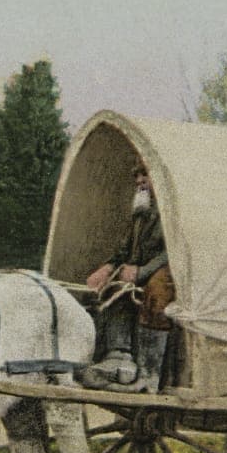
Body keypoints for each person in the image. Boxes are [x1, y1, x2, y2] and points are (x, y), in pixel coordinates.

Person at [77, 164, 175, 392]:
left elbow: (171, 251)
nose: (140, 181)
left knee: (155, 292)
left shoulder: (172, 211)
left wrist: (141, 272)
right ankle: (119, 357)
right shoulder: (140, 216)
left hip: (168, 271)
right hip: (142, 272)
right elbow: (125, 250)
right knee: (113, 288)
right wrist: (108, 267)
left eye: (145, 175)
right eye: (137, 177)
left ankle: (150, 374)